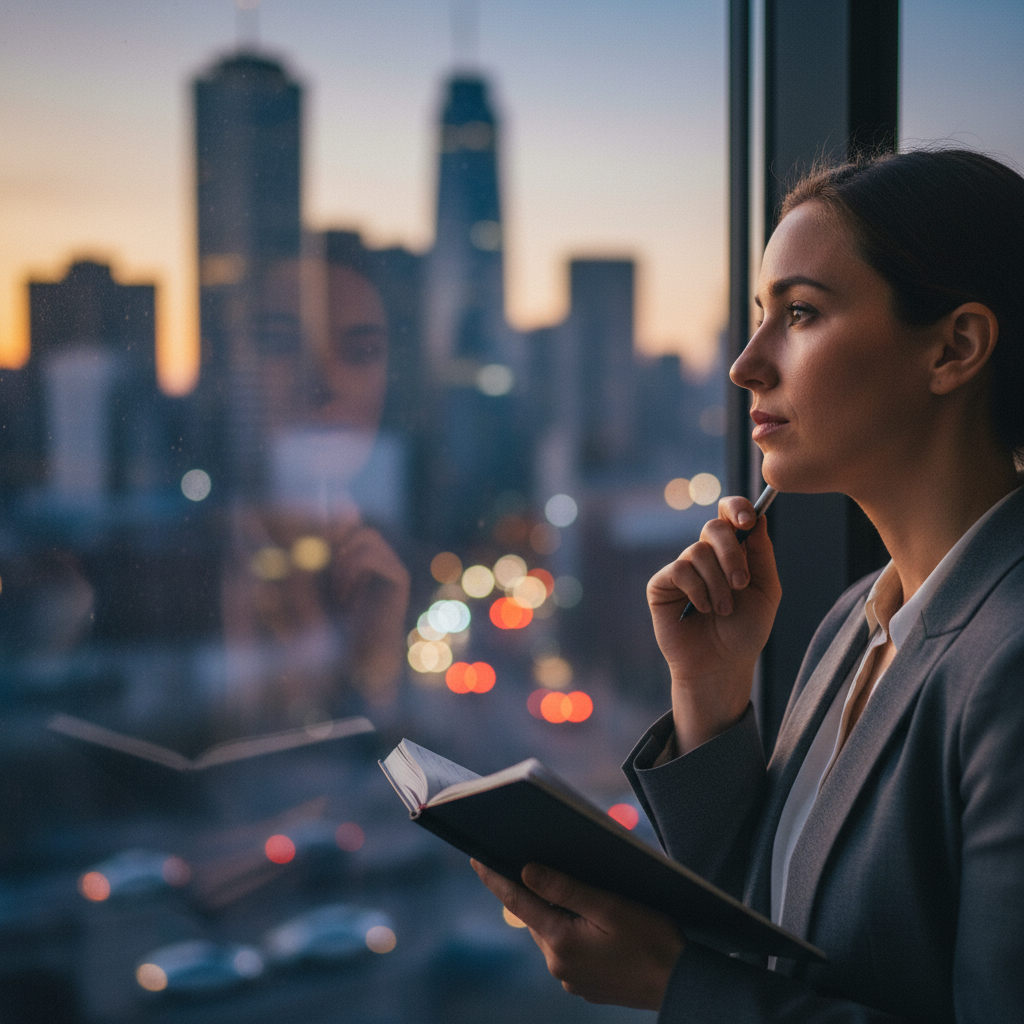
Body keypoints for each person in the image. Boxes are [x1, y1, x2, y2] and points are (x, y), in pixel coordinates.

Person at [473, 148, 1024, 1021]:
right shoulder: (858, 620)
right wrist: (709, 689)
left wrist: (672, 985)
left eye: (800, 314)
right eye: (761, 314)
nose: (746, 365)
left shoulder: (1011, 667)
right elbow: (777, 924)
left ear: (954, 348)